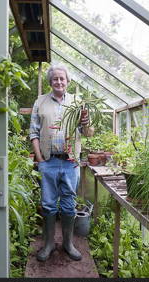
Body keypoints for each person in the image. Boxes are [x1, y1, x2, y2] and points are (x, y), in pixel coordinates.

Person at [29, 64, 94, 262]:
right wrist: (39, 159)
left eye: (62, 78)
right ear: (50, 81)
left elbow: (88, 133)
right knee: (48, 205)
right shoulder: (40, 102)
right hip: (48, 161)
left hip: (70, 163)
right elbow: (33, 132)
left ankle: (68, 244)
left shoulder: (77, 103)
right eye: (55, 78)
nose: (58, 82)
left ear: (67, 81)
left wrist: (85, 122)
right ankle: (48, 244)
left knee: (68, 205)